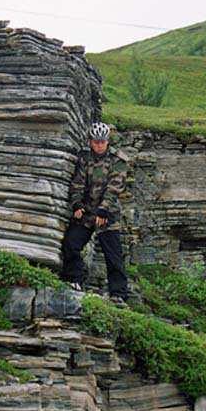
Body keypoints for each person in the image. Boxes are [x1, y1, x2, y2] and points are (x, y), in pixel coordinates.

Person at [61, 122, 129, 304]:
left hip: (108, 214)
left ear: (108, 141)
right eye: (96, 141)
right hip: (88, 212)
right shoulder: (84, 158)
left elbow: (115, 188)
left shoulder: (118, 160)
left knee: (113, 254)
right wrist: (76, 204)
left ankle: (119, 294)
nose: (99, 145)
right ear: (90, 141)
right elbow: (77, 183)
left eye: (103, 142)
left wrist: (104, 210)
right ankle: (73, 279)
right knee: (71, 243)